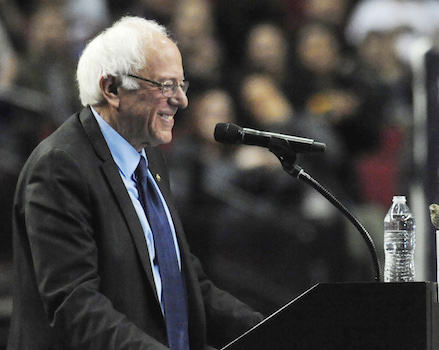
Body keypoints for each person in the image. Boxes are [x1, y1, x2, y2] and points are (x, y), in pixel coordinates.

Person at [9, 16, 263, 350]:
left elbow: (185, 282)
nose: (182, 101)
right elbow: (75, 303)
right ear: (112, 89)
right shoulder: (59, 167)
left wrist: (274, 332)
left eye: (181, 85)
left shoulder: (149, 157)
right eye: (166, 86)